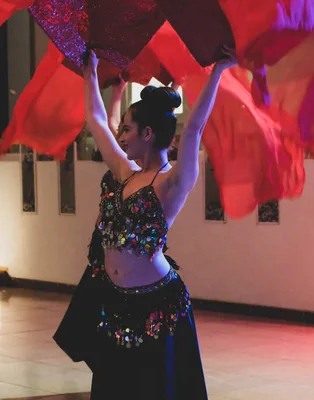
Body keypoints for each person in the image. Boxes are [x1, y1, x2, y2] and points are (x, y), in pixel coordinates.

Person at [60, 45, 236, 399]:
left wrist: (218, 70)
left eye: (127, 129)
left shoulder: (172, 183)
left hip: (157, 305)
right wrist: (90, 70)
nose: (120, 136)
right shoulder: (126, 173)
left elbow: (194, 130)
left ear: (148, 133)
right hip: (116, 302)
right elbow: (96, 122)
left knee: (155, 390)